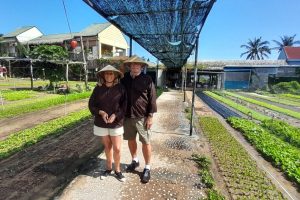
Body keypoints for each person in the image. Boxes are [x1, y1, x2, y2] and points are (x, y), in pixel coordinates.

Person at [121, 55, 157, 183]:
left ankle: (147, 167)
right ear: (130, 66)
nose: (135, 66)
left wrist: (150, 116)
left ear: (141, 66)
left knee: (146, 142)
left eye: (138, 65)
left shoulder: (147, 79)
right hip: (127, 116)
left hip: (142, 117)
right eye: (133, 64)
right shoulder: (124, 78)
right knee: (130, 140)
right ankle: (135, 160)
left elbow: (152, 98)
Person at [88, 65, 127, 182]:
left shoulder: (121, 88)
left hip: (116, 123)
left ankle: (118, 170)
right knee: (107, 146)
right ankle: (108, 168)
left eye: (111, 73)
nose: (108, 76)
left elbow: (124, 106)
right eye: (106, 74)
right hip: (102, 123)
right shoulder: (98, 88)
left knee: (118, 148)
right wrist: (100, 112)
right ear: (103, 76)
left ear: (115, 75)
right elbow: (91, 105)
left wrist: (115, 115)